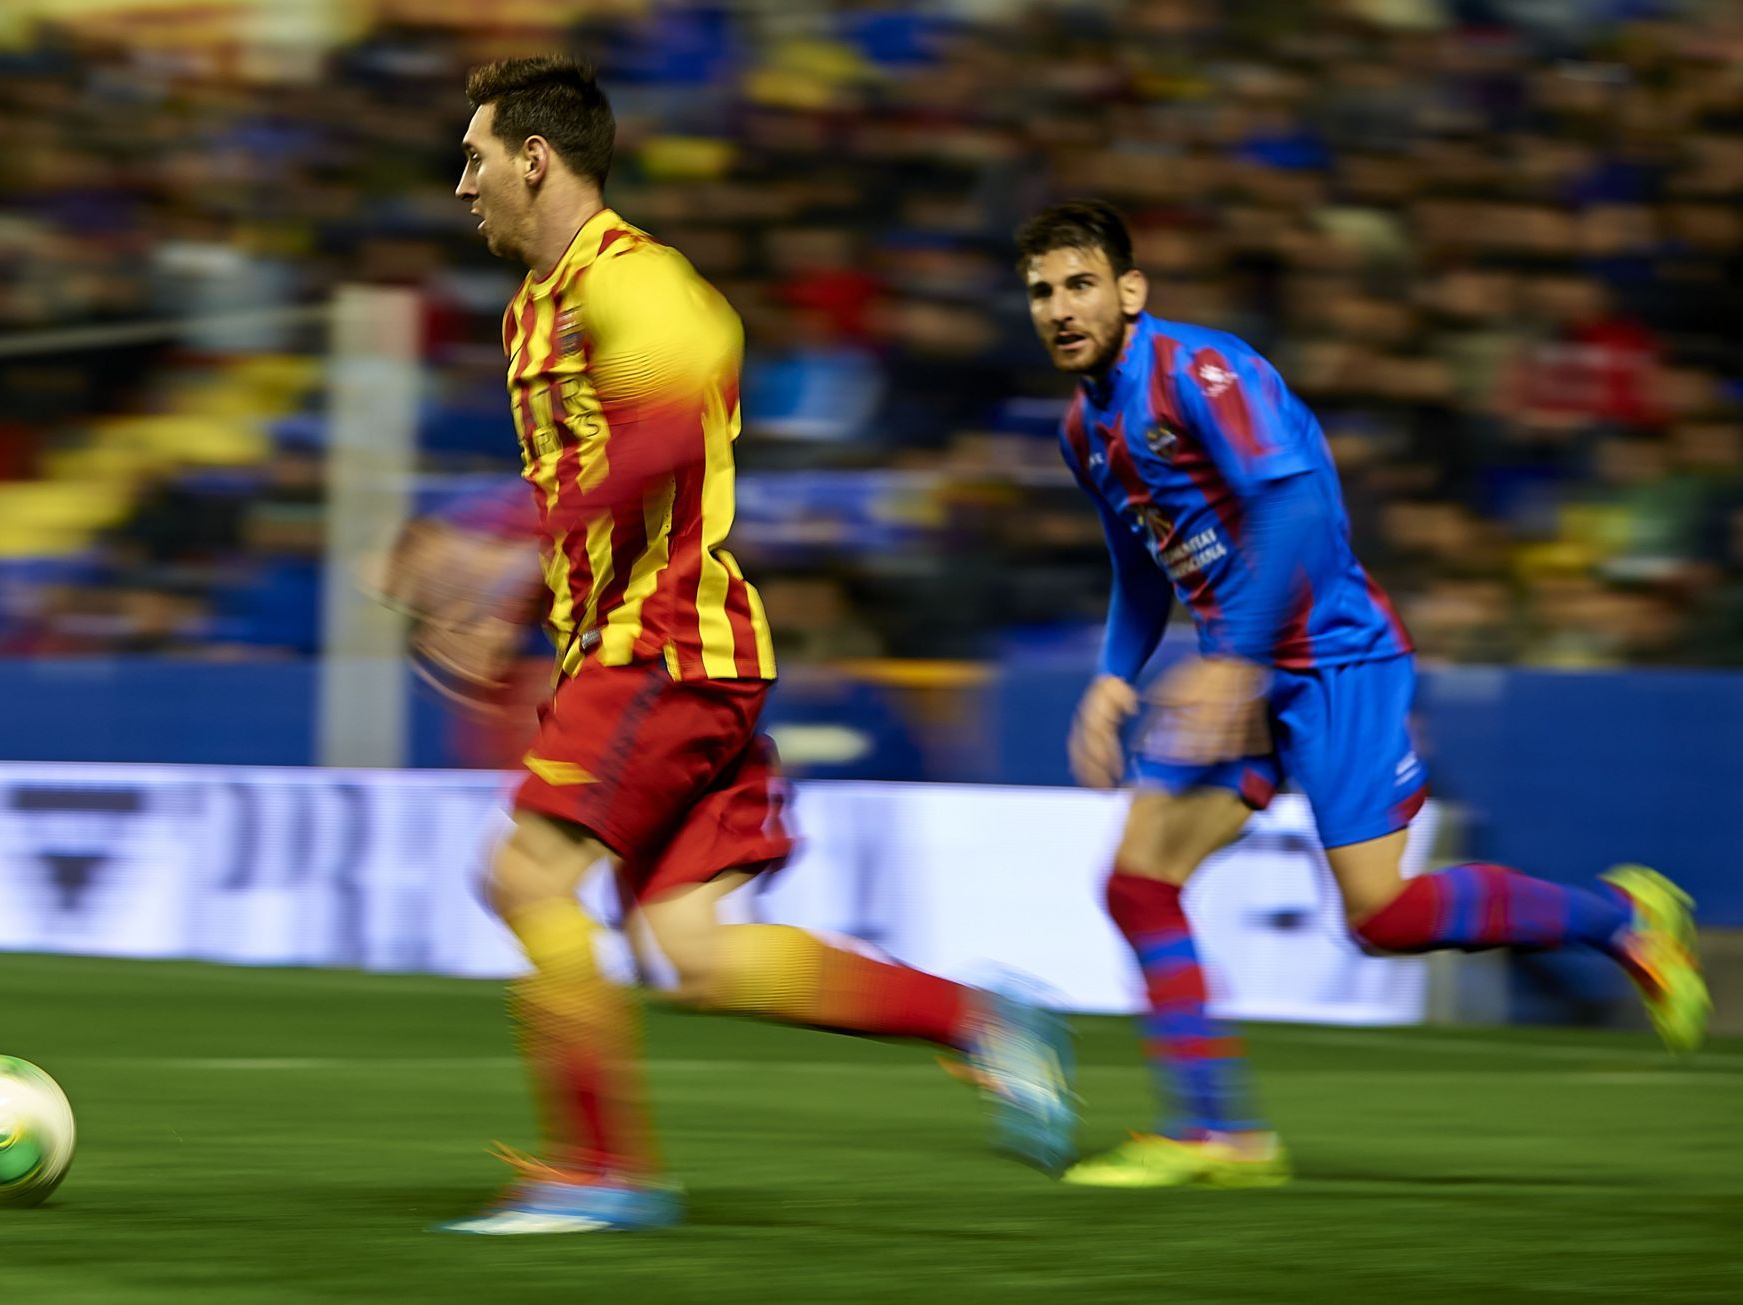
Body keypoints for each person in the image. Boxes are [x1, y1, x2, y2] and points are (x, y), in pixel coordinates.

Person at [382, 57, 1075, 1236]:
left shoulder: (640, 282)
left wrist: (496, 540)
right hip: (636, 644)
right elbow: (590, 483)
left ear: (536, 159)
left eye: (476, 157)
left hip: (665, 641)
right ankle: (982, 1020)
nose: (463, 185)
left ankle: (601, 1172)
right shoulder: (531, 311)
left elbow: (659, 440)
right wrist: (500, 601)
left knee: (526, 879)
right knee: (695, 956)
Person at [1017, 199, 1709, 1189]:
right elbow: (1139, 565)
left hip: (1334, 660)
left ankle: (1620, 919)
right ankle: (1219, 1134)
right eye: (1041, 292)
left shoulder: (1204, 373)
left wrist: (1234, 659)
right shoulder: (1085, 432)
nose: (1059, 308)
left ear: (1132, 291)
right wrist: (1110, 680)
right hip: (1237, 677)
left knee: (1382, 917)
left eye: (1080, 284)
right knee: (1136, 880)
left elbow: (1295, 504)